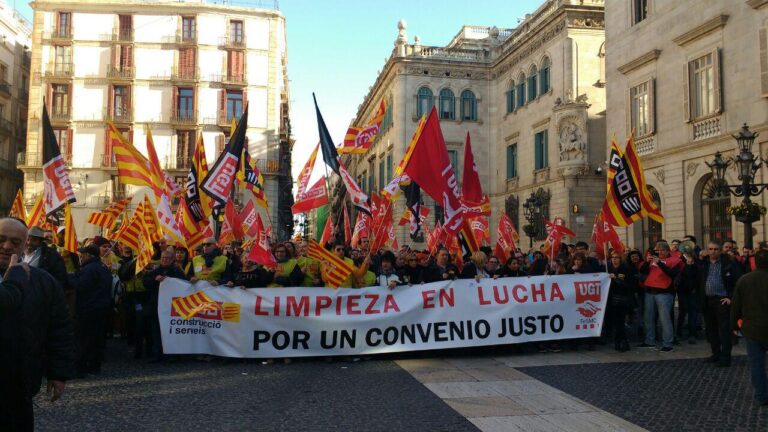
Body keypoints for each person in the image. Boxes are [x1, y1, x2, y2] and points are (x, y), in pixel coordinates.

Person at [0, 218, 75, 431]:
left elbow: (59, 329)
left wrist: (58, 374)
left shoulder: (44, 282)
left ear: (25, 246)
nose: (6, 247)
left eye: (15, 242)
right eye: (1, 239)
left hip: (20, 384)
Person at [685, 240, 742, 367]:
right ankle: (715, 353)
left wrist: (731, 297)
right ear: (707, 250)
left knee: (724, 330)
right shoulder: (703, 263)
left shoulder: (729, 263)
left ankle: (725, 357)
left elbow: (738, 281)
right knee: (711, 329)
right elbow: (693, 280)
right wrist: (689, 265)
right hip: (707, 300)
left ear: (720, 250)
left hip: (722, 300)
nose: (713, 252)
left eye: (715, 249)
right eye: (710, 249)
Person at [68, 243, 113, 376]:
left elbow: (82, 285)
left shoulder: (89, 269)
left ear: (88, 255)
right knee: (96, 340)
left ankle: (81, 369)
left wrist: (70, 277)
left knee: (84, 340)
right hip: (101, 308)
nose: (81, 256)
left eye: (83, 254)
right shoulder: (102, 267)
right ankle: (94, 367)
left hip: (89, 309)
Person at [731, 249, 768, 406]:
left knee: (757, 364)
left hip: (752, 328)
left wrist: (733, 325)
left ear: (755, 262)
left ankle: (762, 395)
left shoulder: (744, 280)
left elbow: (736, 305)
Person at [143, 249, 187, 361]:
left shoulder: (177, 271)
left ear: (172, 259)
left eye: (167, 258)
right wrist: (154, 279)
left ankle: (171, 355)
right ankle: (157, 354)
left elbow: (185, 284)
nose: (164, 260)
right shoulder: (156, 271)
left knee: (171, 332)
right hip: (156, 307)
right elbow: (145, 283)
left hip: (172, 308)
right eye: (163, 258)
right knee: (156, 332)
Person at [639, 241, 682, 352]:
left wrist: (660, 263)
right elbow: (643, 271)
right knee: (648, 318)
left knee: (665, 319)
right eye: (658, 250)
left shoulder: (675, 260)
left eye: (662, 250)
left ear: (667, 250)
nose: (659, 252)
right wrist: (646, 262)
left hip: (664, 292)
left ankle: (668, 343)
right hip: (650, 291)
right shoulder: (653, 260)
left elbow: (672, 273)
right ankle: (649, 341)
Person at [607, 252, 635, 352]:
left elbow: (629, 284)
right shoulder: (608, 269)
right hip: (610, 299)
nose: (614, 259)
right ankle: (622, 340)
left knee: (620, 321)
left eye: (617, 257)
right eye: (612, 257)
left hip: (622, 299)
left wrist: (616, 279)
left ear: (620, 259)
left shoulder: (626, 269)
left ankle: (620, 341)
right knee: (615, 321)